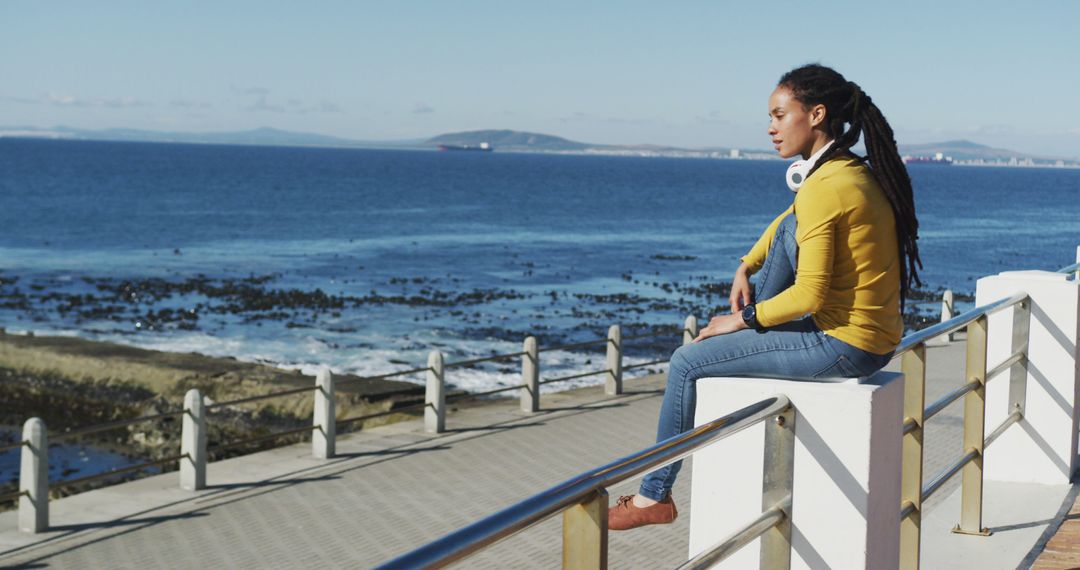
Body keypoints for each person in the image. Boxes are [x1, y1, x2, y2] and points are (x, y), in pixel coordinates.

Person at [607, 63, 923, 531]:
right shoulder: (845, 170)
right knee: (790, 231)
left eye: (779, 115)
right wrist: (745, 264)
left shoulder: (827, 186)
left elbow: (810, 294)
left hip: (845, 344)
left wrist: (743, 320)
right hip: (868, 335)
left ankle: (655, 496)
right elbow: (790, 221)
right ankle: (744, 338)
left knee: (687, 362)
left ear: (816, 115)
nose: (770, 128)